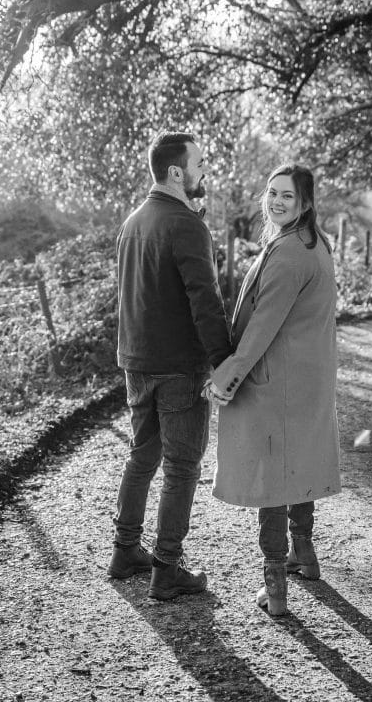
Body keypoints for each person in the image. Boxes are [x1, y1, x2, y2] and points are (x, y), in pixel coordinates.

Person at [205, 164, 340, 616]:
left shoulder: (288, 254)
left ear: (305, 203)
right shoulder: (314, 244)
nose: (276, 201)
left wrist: (226, 377)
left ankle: (275, 585)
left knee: (272, 477)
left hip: (278, 381)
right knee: (298, 460)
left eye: (288, 195)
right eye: (272, 192)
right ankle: (305, 554)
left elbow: (263, 327)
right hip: (305, 380)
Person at [109, 131, 233, 602]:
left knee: (143, 455)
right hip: (179, 365)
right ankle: (167, 566)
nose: (203, 172)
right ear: (177, 172)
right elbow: (206, 300)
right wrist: (223, 364)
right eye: (199, 163)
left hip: (136, 362)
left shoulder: (133, 221)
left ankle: (125, 552)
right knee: (182, 465)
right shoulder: (185, 223)